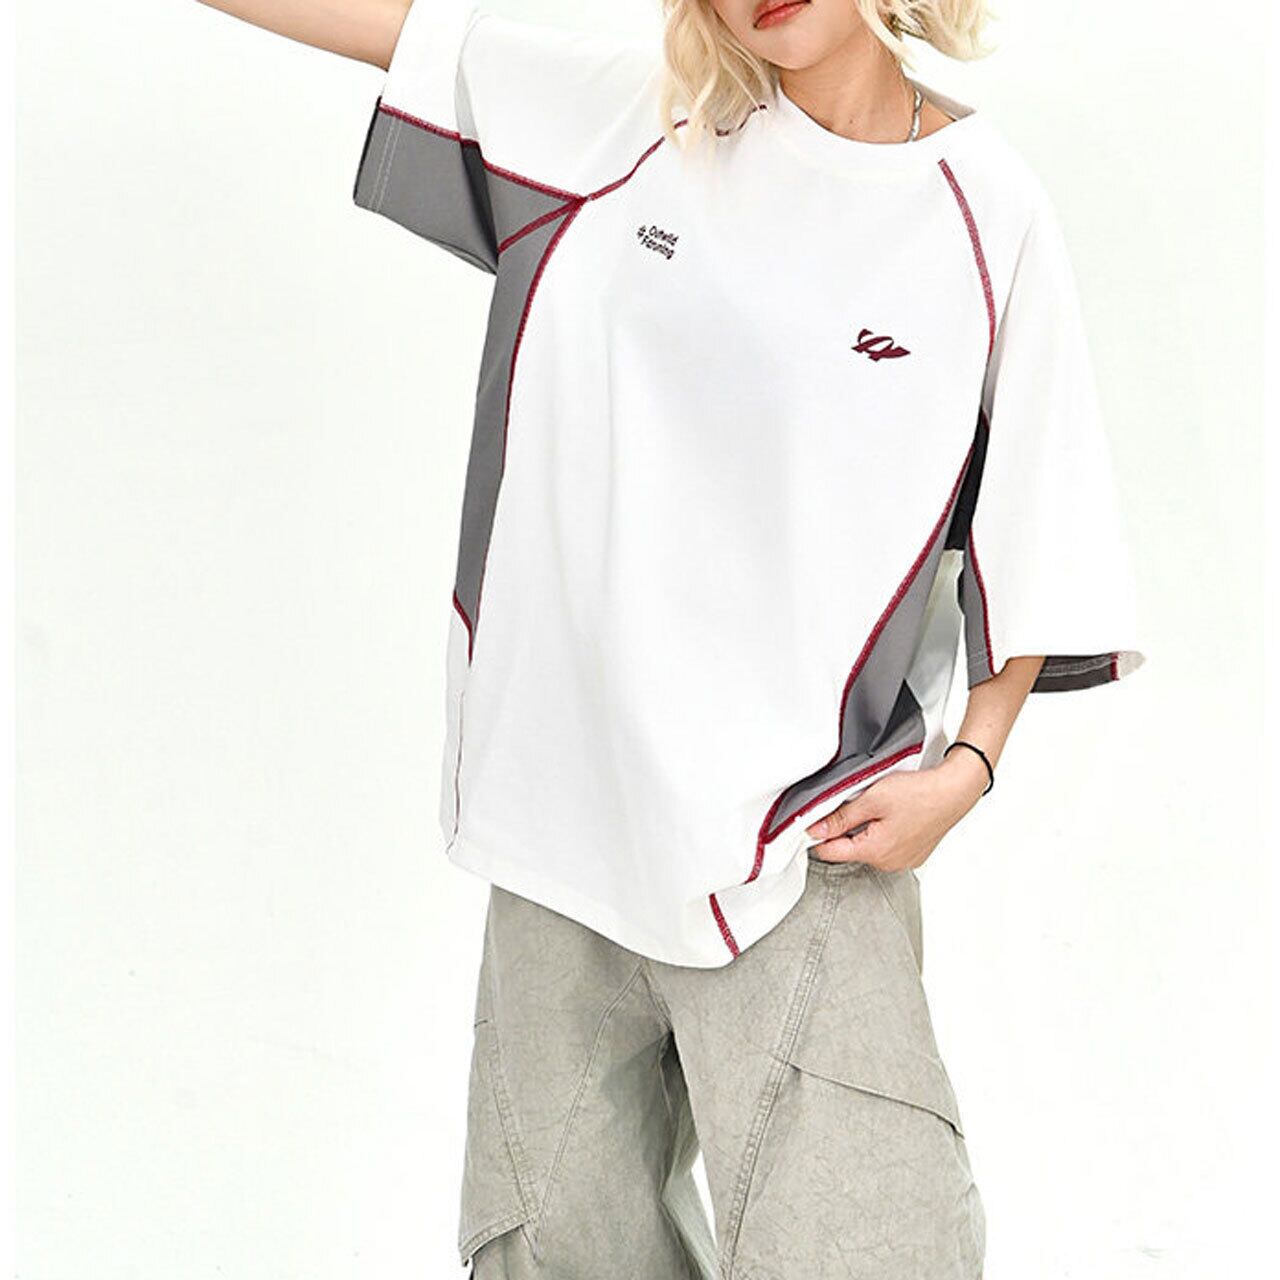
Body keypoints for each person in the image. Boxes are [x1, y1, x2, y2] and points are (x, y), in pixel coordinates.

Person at [196, 1, 1148, 1275]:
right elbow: (407, 26)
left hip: (804, 839)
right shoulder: (631, 125)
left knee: (866, 1248)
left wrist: (968, 767)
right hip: (563, 829)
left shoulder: (983, 210)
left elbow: (1038, 519)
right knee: (550, 1252)